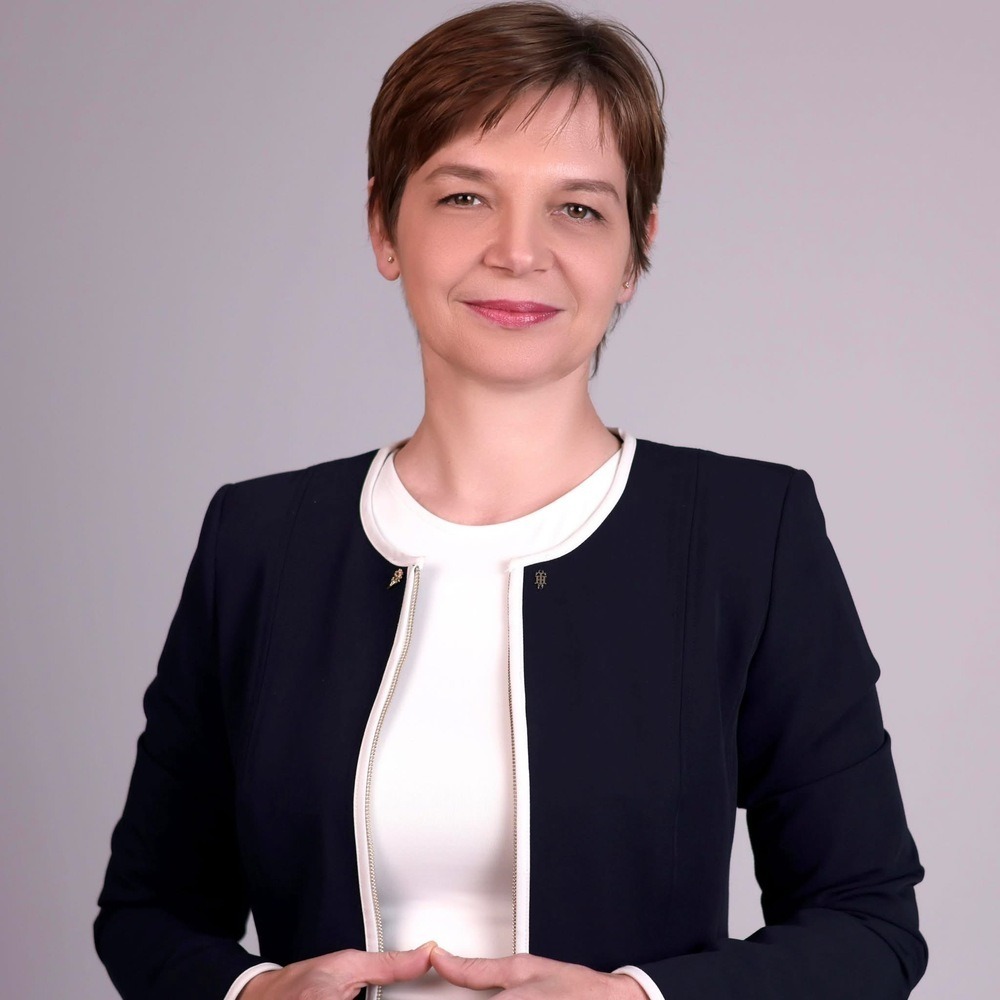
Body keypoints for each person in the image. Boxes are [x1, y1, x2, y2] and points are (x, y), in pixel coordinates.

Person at [94, 3, 926, 999]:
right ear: (383, 226)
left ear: (635, 249)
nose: (518, 252)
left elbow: (868, 924)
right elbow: (148, 914)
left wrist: (635, 999)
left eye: (577, 209)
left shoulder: (749, 534)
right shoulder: (260, 542)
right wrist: (255, 992)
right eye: (464, 197)